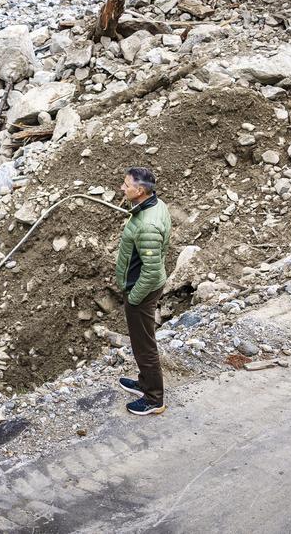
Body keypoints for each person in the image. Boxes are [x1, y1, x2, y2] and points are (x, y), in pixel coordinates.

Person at [115, 166, 171, 416]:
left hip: (142, 291)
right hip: (142, 287)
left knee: (144, 346)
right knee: (141, 343)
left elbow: (151, 271)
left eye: (126, 185)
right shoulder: (153, 205)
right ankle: (144, 383)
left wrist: (134, 298)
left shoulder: (147, 225)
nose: (122, 188)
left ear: (139, 190)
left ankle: (153, 399)